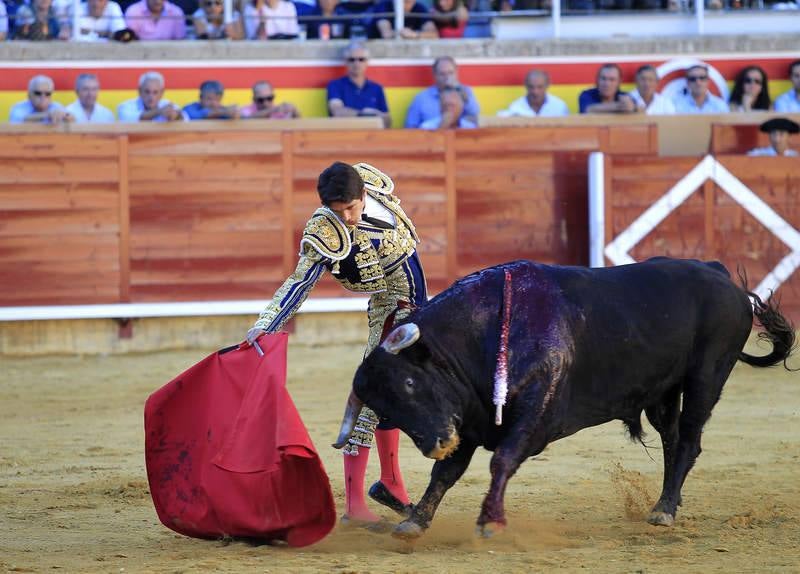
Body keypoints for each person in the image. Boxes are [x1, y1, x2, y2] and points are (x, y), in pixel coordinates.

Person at [246, 162, 426, 525]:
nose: (346, 218)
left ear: (363, 195)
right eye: (336, 211)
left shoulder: (372, 184)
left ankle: (390, 482)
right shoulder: (324, 232)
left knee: (396, 397)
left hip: (421, 311)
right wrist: (266, 324)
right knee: (371, 395)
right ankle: (355, 506)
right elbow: (299, 283)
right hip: (392, 311)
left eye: (350, 208)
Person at [327, 41, 390, 128]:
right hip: (344, 135)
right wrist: (365, 115)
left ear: (367, 62)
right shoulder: (335, 85)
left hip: (372, 137)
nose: (356, 64)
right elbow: (337, 111)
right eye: (351, 60)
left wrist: (378, 115)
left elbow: (387, 121)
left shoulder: (377, 88)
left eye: (361, 59)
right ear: (345, 62)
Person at [405, 56, 479, 128]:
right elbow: (410, 128)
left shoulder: (465, 91)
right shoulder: (421, 99)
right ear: (434, 75)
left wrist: (459, 91)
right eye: (442, 74)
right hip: (429, 138)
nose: (447, 78)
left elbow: (474, 116)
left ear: (456, 72)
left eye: (451, 73)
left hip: (461, 138)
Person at [117, 71, 186, 122]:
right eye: (147, 92)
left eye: (155, 92)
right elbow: (130, 119)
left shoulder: (169, 105)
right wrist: (159, 112)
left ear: (162, 93)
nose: (151, 97)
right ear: (140, 91)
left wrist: (176, 116)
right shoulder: (126, 106)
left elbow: (185, 120)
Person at [497, 69, 569, 117]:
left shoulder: (559, 106)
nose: (535, 92)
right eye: (531, 87)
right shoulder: (515, 107)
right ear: (526, 86)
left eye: (540, 87)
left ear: (547, 86)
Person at [9, 75, 73, 124]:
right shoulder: (18, 107)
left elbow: (71, 118)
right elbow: (21, 120)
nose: (43, 97)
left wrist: (65, 116)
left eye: (47, 94)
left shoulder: (56, 106)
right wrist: (47, 115)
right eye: (38, 93)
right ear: (29, 95)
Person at [370, 0, 438, 39]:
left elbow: (434, 34)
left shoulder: (419, 8)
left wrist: (415, 34)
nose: (408, 4)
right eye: (405, 1)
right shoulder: (383, 7)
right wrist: (400, 33)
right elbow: (386, 34)